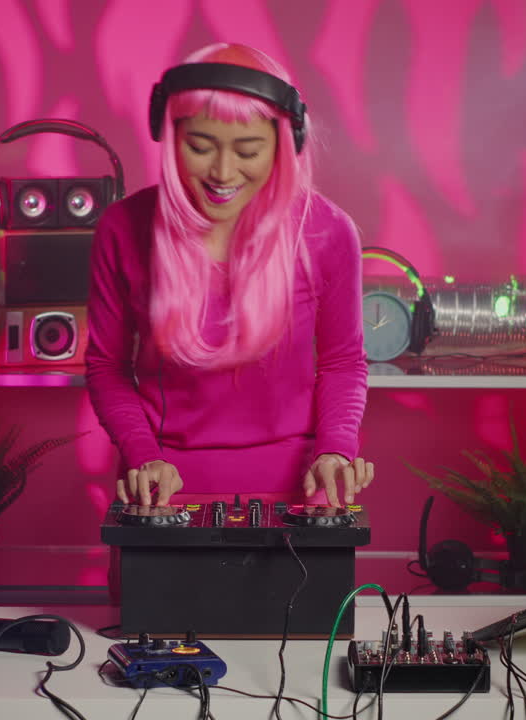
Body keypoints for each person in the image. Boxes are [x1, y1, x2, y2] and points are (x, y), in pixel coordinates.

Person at [85, 43, 374, 508]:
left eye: (248, 150)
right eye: (200, 147)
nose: (222, 171)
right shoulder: (123, 228)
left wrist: (336, 452)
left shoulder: (327, 231)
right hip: (162, 488)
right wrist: (143, 457)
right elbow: (107, 367)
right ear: (168, 135)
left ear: (286, 144)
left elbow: (342, 363)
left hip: (301, 489)